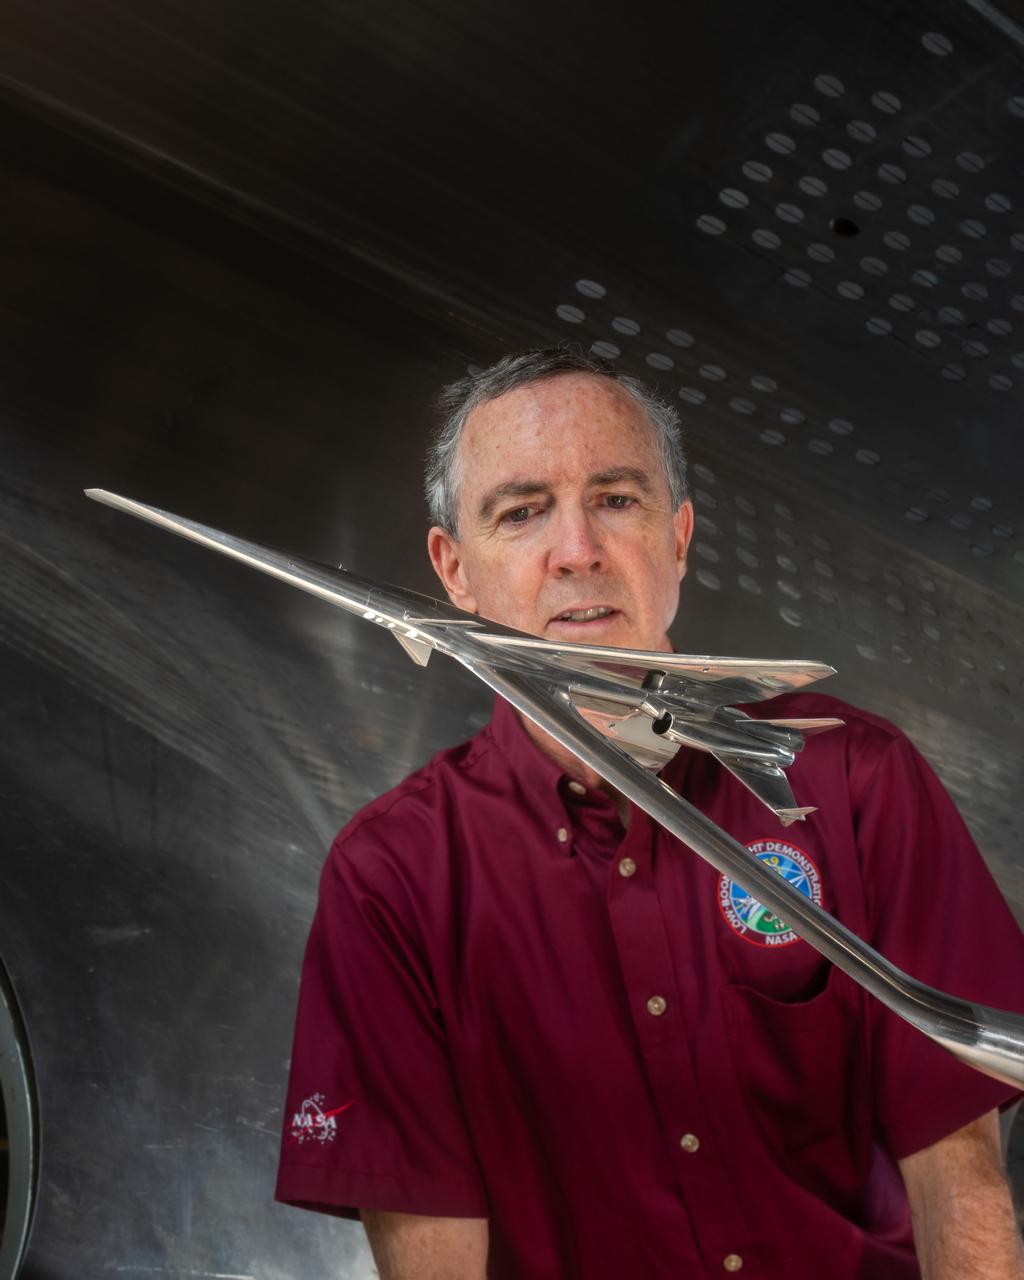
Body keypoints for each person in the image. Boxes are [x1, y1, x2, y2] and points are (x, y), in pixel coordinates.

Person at [276, 347, 1024, 1278]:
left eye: (617, 500)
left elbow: (964, 1186)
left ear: (678, 536)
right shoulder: (392, 877)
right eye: (522, 513)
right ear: (453, 571)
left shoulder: (858, 781)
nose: (577, 550)